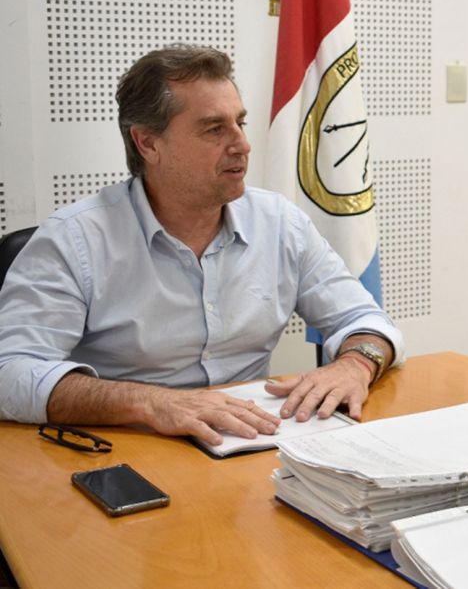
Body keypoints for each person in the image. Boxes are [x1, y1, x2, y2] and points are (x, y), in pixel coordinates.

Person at [0, 45, 403, 447]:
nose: (242, 144)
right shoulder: (74, 239)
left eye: (240, 123)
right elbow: (10, 374)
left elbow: (364, 320)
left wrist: (355, 363)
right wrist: (151, 403)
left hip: (251, 445)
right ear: (148, 144)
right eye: (214, 129)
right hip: (126, 449)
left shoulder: (280, 223)